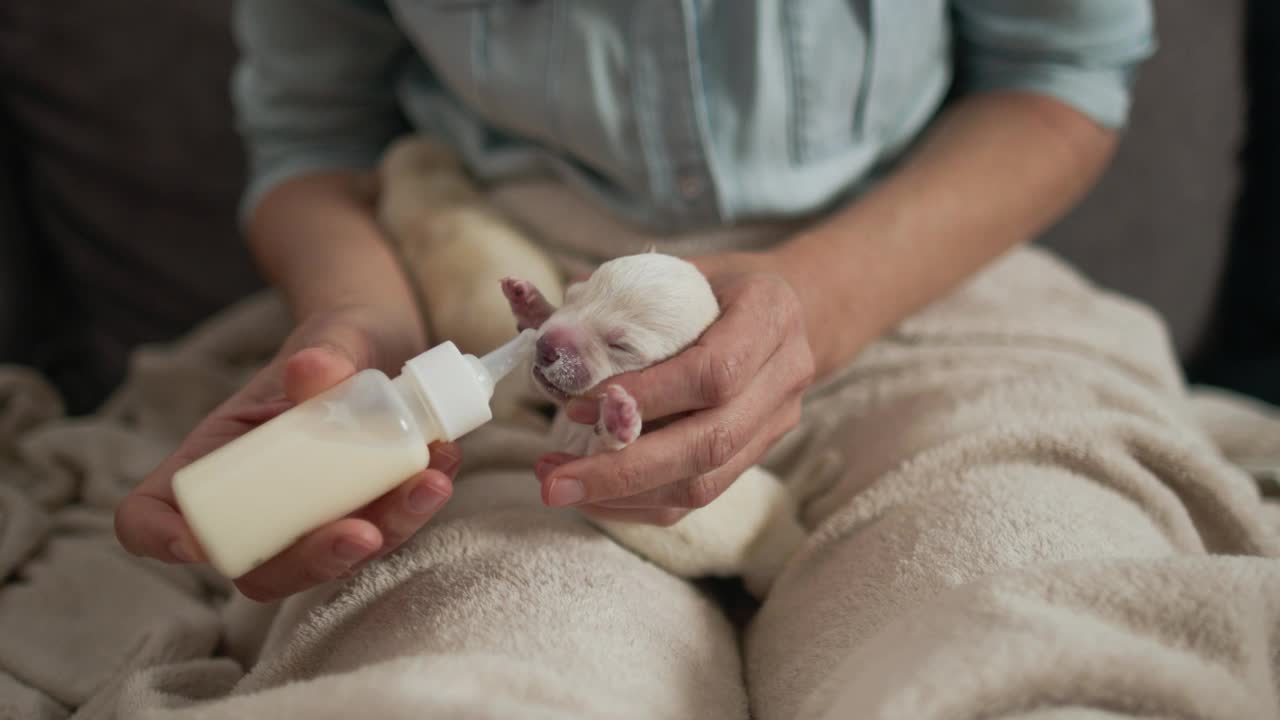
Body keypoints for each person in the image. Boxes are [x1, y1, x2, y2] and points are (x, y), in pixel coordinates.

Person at [116, 2, 1277, 717]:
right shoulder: (507, 334)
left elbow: (1061, 75)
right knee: (472, 628)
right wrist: (357, 327)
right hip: (475, 296)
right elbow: (315, 139)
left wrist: (822, 299)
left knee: (1018, 570)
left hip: (925, 276)